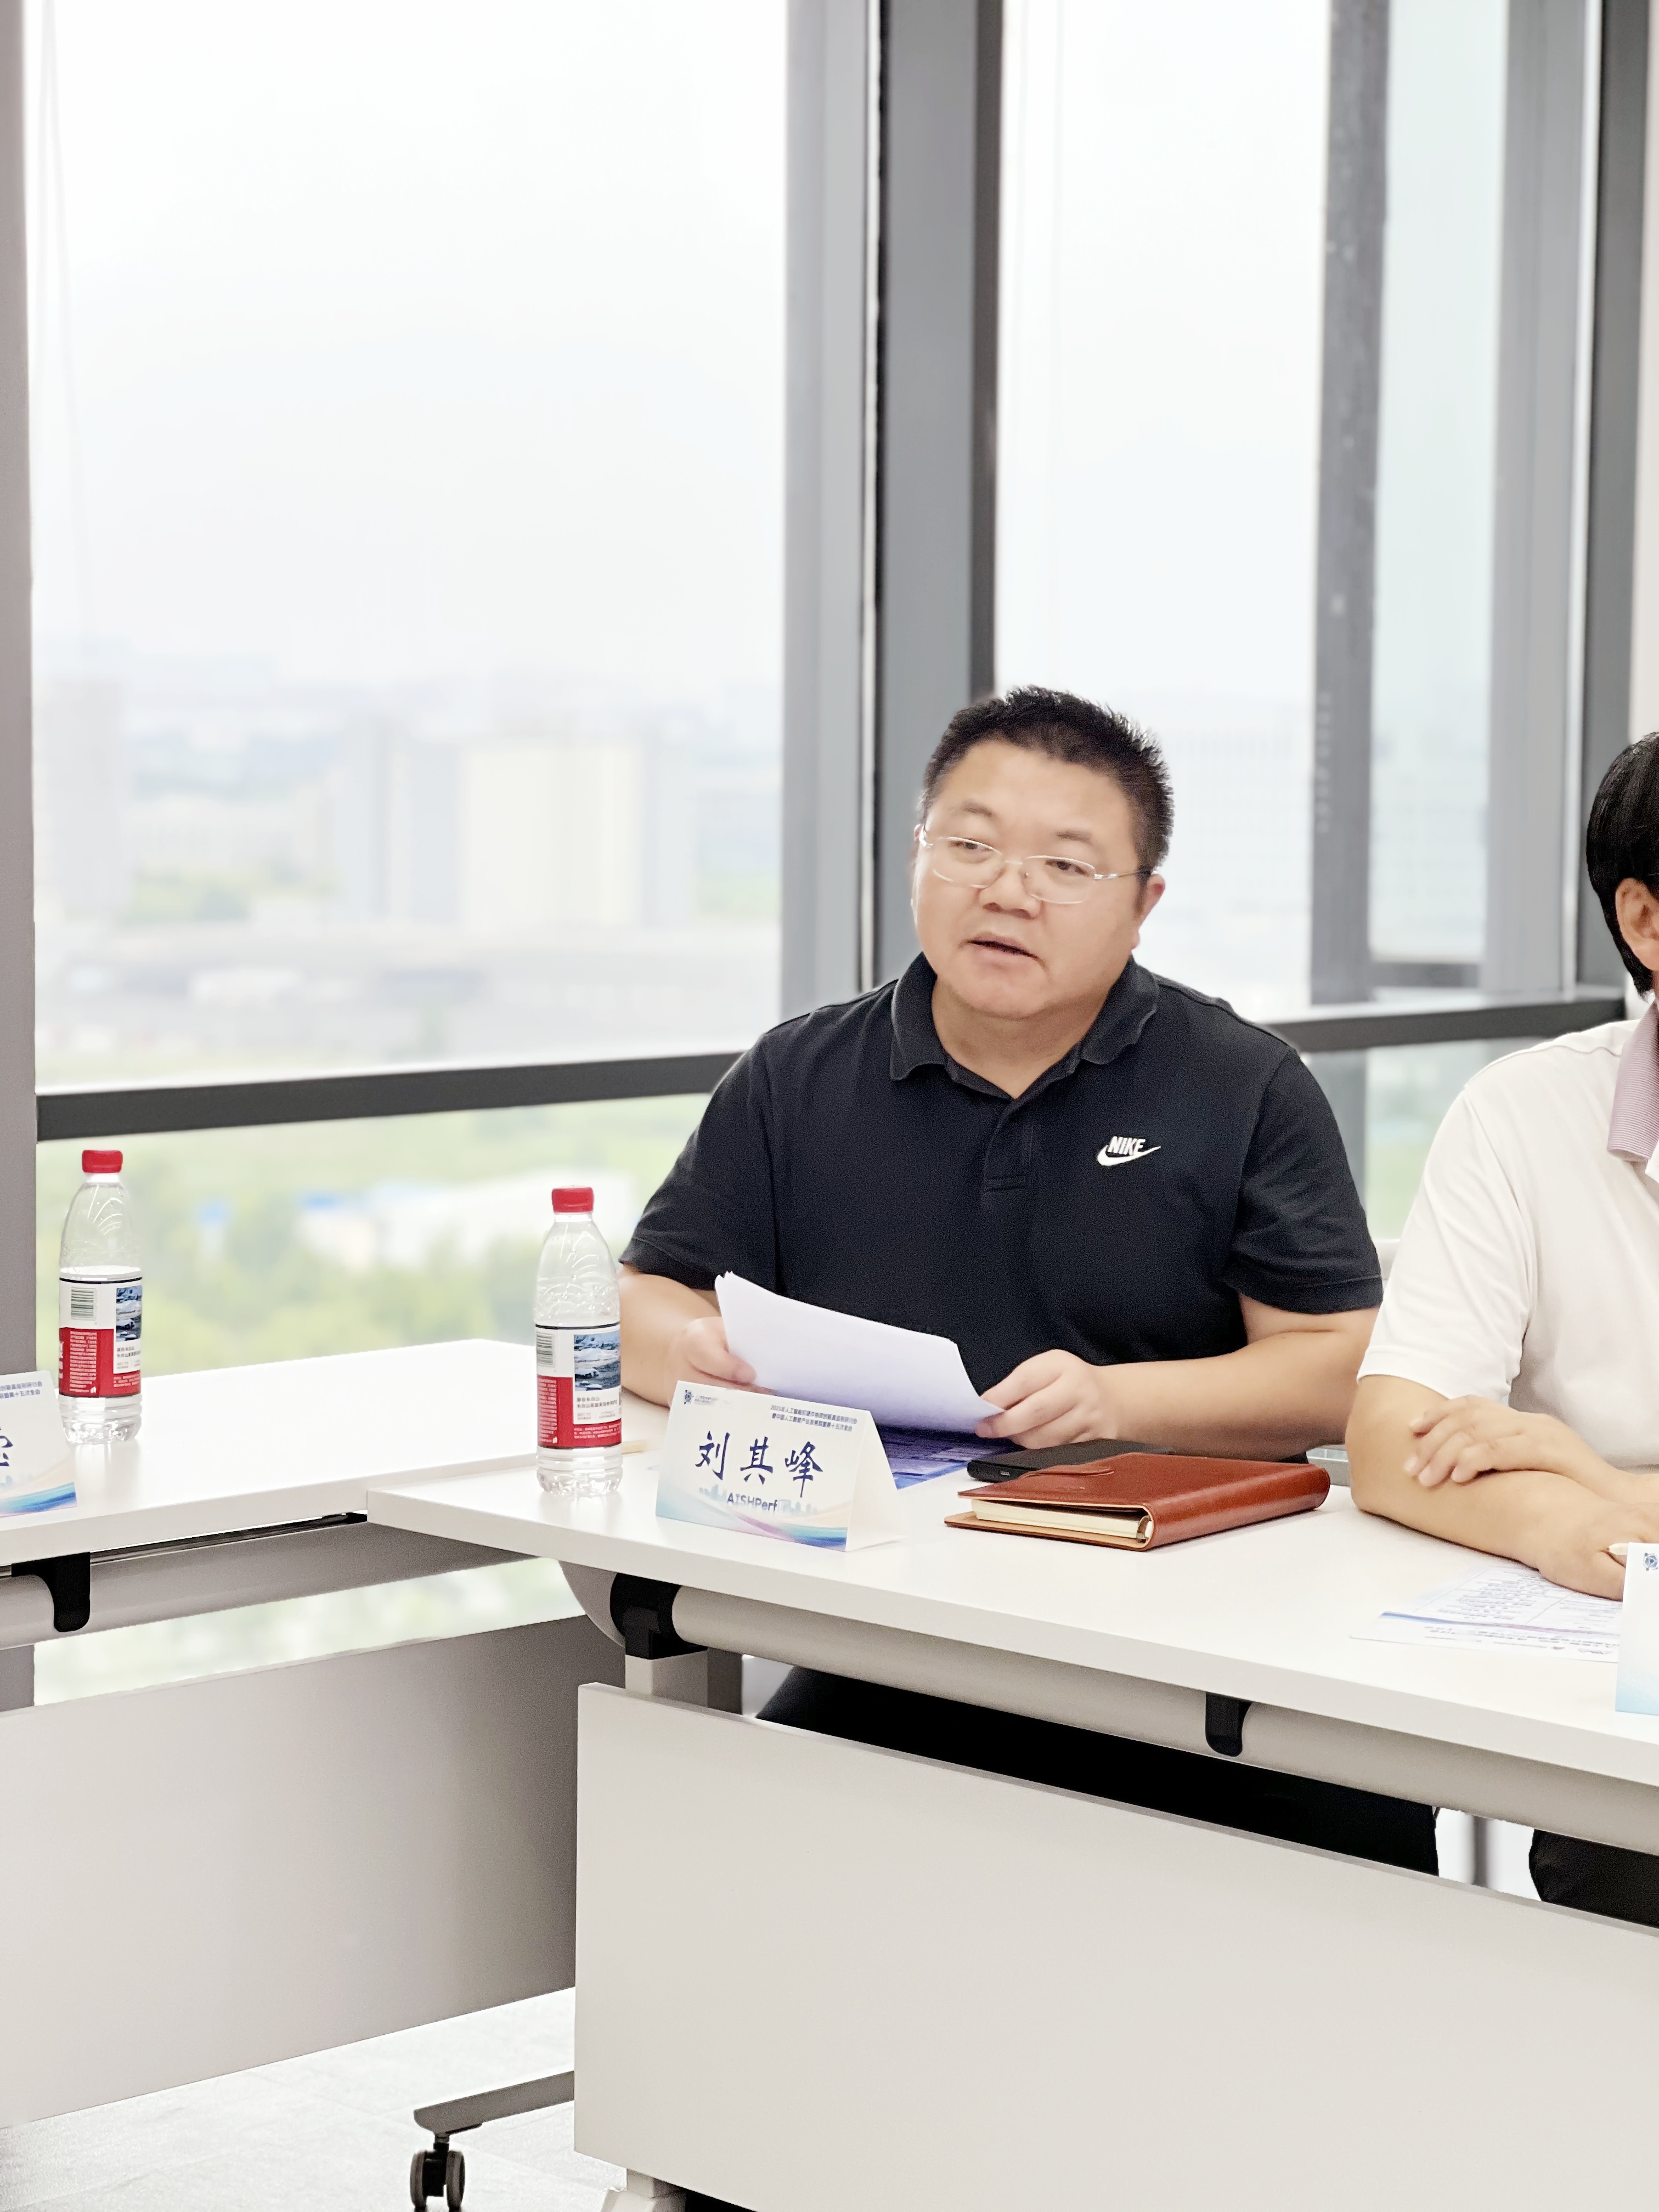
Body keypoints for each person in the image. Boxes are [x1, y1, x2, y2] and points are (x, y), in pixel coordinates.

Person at [623, 685, 1427, 1869]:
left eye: (1066, 864)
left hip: (1199, 1633)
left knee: (1341, 1882)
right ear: (918, 856)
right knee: (737, 1841)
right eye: (971, 845)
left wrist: (1115, 1401)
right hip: (902, 1623)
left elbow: (1337, 1368)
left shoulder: (1241, 1084)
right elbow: (647, 1294)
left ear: (1144, 905)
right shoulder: (798, 1075)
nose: (1008, 891)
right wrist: (699, 1354)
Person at [1348, 731, 1659, 1923]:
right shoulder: (1524, 1115)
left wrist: (1596, 1477)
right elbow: (1393, 1441)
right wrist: (1561, 1522)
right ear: (1645, 920)